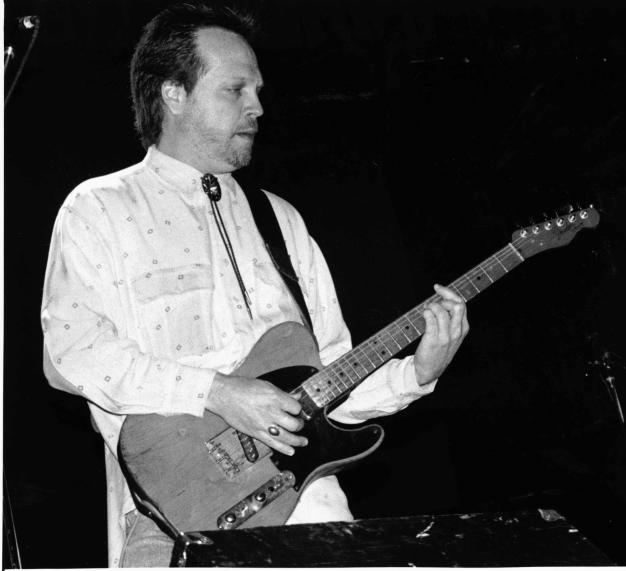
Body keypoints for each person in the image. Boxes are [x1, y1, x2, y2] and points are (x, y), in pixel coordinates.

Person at [40, 3, 468, 567]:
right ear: (174, 93)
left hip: (309, 509)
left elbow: (329, 379)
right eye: (235, 89)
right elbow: (71, 353)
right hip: (171, 518)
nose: (258, 106)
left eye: (258, 89)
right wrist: (218, 392)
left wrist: (417, 373)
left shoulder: (281, 220)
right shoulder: (99, 208)